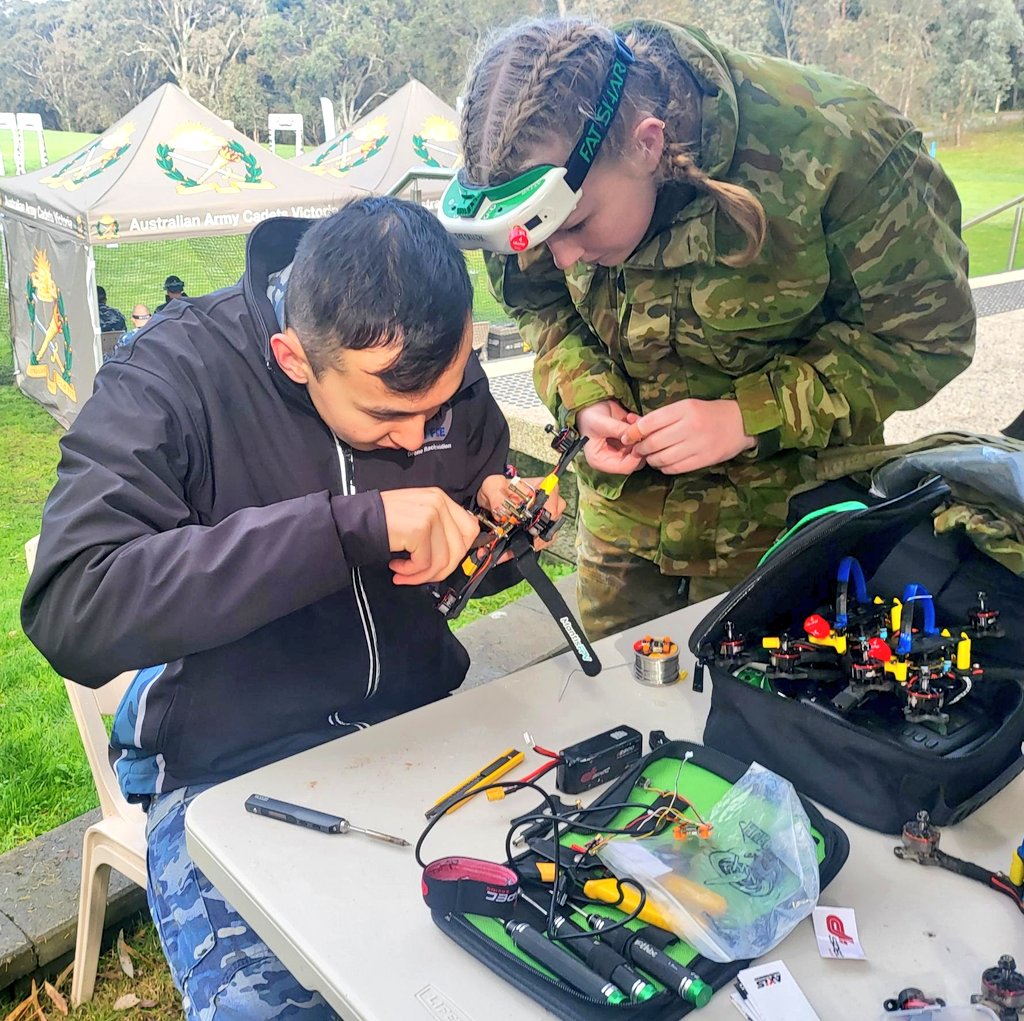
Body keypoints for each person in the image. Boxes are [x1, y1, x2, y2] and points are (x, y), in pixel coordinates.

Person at [23, 197, 558, 1019]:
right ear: (293, 356)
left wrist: (501, 533)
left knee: (546, 958)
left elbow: (456, 561)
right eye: (388, 416)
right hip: (228, 768)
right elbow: (75, 603)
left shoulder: (429, 356)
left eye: (441, 406)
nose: (418, 438)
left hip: (422, 730)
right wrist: (347, 529)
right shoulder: (173, 373)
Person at [452, 17, 975, 640]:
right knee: (611, 693)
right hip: (623, 527)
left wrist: (749, 416)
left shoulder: (845, 149)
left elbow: (926, 338)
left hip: (782, 530)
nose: (561, 259)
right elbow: (539, 306)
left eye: (577, 226)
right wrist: (585, 396)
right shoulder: (525, 169)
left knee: (757, 695)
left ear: (648, 144)